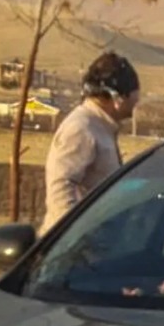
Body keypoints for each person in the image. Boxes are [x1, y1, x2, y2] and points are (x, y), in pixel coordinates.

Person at [40, 52, 140, 234]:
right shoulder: (82, 129)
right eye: (133, 96)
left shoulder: (102, 127)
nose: (136, 102)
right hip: (75, 253)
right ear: (117, 98)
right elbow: (61, 187)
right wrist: (74, 236)